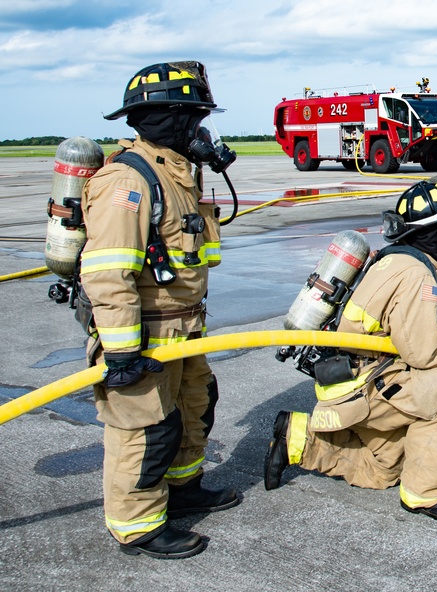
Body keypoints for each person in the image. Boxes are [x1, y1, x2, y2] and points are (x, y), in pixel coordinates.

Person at [264, 174, 437, 524]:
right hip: (367, 387)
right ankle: (426, 495)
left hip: (355, 379)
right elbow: (425, 355)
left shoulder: (398, 260)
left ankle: (296, 439)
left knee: (384, 470)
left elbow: (418, 339)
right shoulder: (415, 276)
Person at [78, 61, 239, 559]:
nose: (199, 128)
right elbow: (108, 274)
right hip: (145, 337)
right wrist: (123, 353)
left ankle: (183, 491)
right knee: (144, 430)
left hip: (187, 329)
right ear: (167, 117)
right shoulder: (127, 181)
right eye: (192, 117)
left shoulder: (175, 173)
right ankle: (139, 523)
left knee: (194, 409)